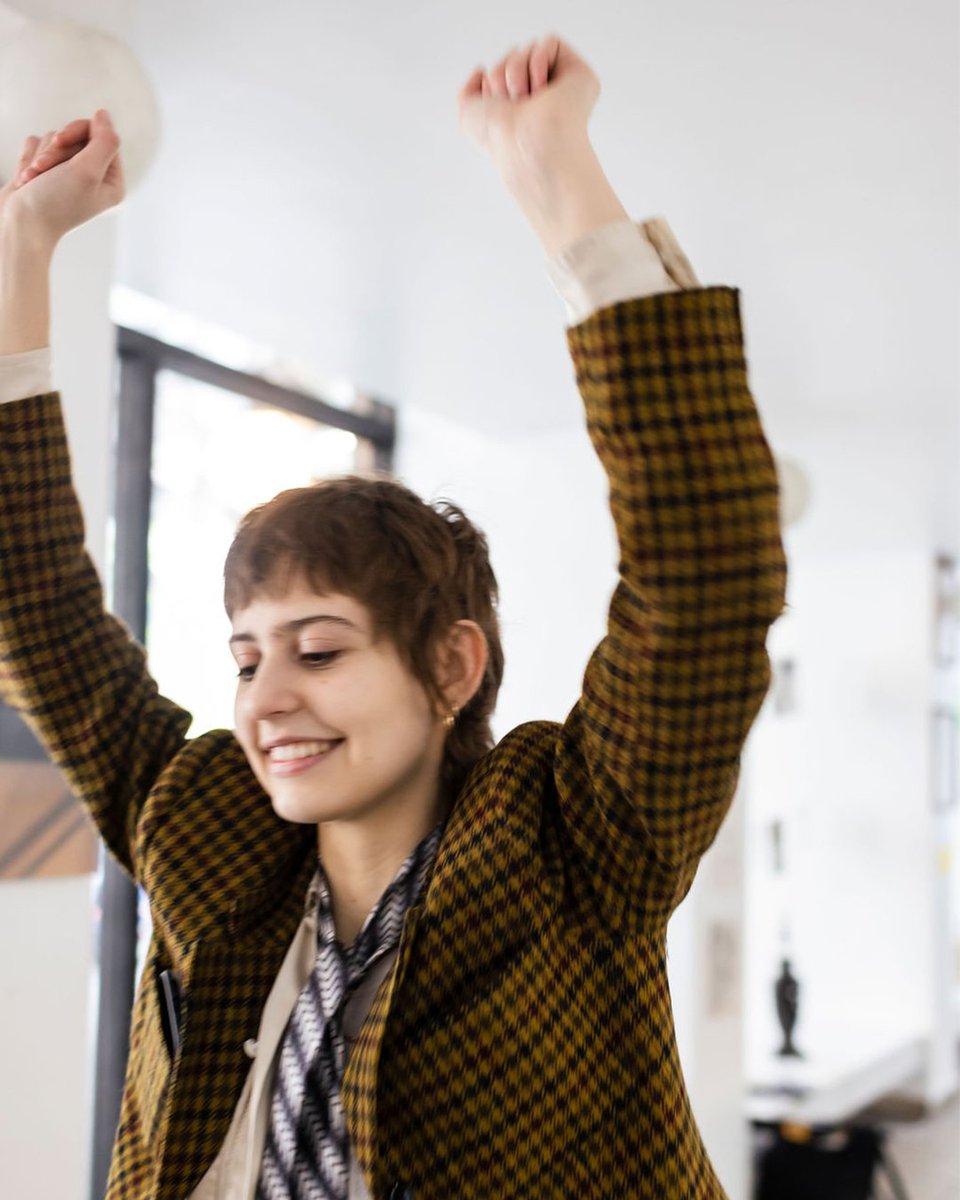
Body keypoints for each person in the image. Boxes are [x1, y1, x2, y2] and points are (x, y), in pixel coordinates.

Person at [0, 33, 786, 1200]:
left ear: (451, 665)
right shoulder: (205, 836)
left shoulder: (577, 849)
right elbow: (41, 607)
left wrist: (554, 174)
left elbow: (704, 581)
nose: (267, 701)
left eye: (319, 650)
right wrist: (23, 245)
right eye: (247, 657)